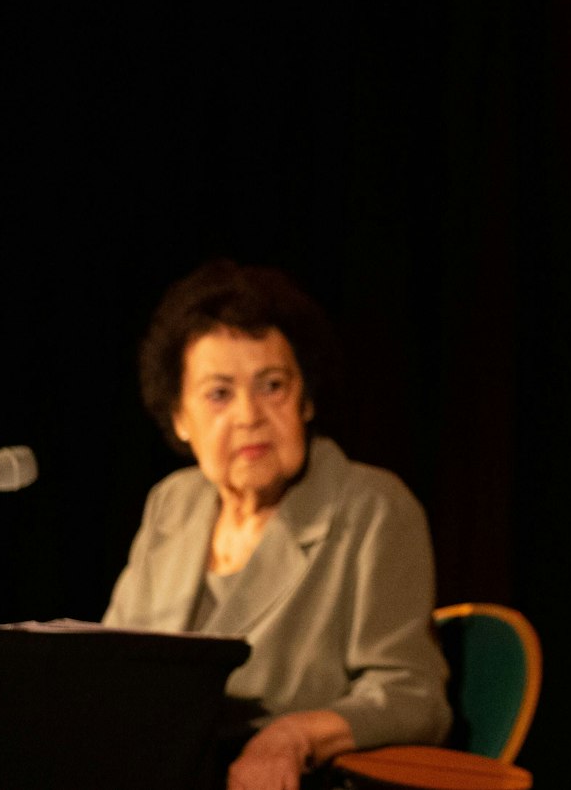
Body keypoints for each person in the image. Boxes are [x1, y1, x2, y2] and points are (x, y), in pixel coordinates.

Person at [104, 259, 452, 790]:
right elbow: (109, 667)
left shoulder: (372, 507)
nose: (249, 415)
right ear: (179, 417)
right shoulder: (172, 503)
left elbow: (413, 696)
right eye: (219, 394)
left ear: (306, 398)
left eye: (272, 386)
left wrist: (291, 737)